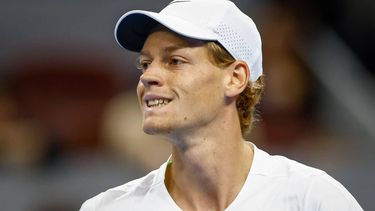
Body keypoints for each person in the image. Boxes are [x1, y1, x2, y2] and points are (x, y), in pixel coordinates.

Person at [80, 0, 363, 210]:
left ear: (235, 78)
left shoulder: (314, 199)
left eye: (174, 61)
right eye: (145, 63)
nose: (148, 77)